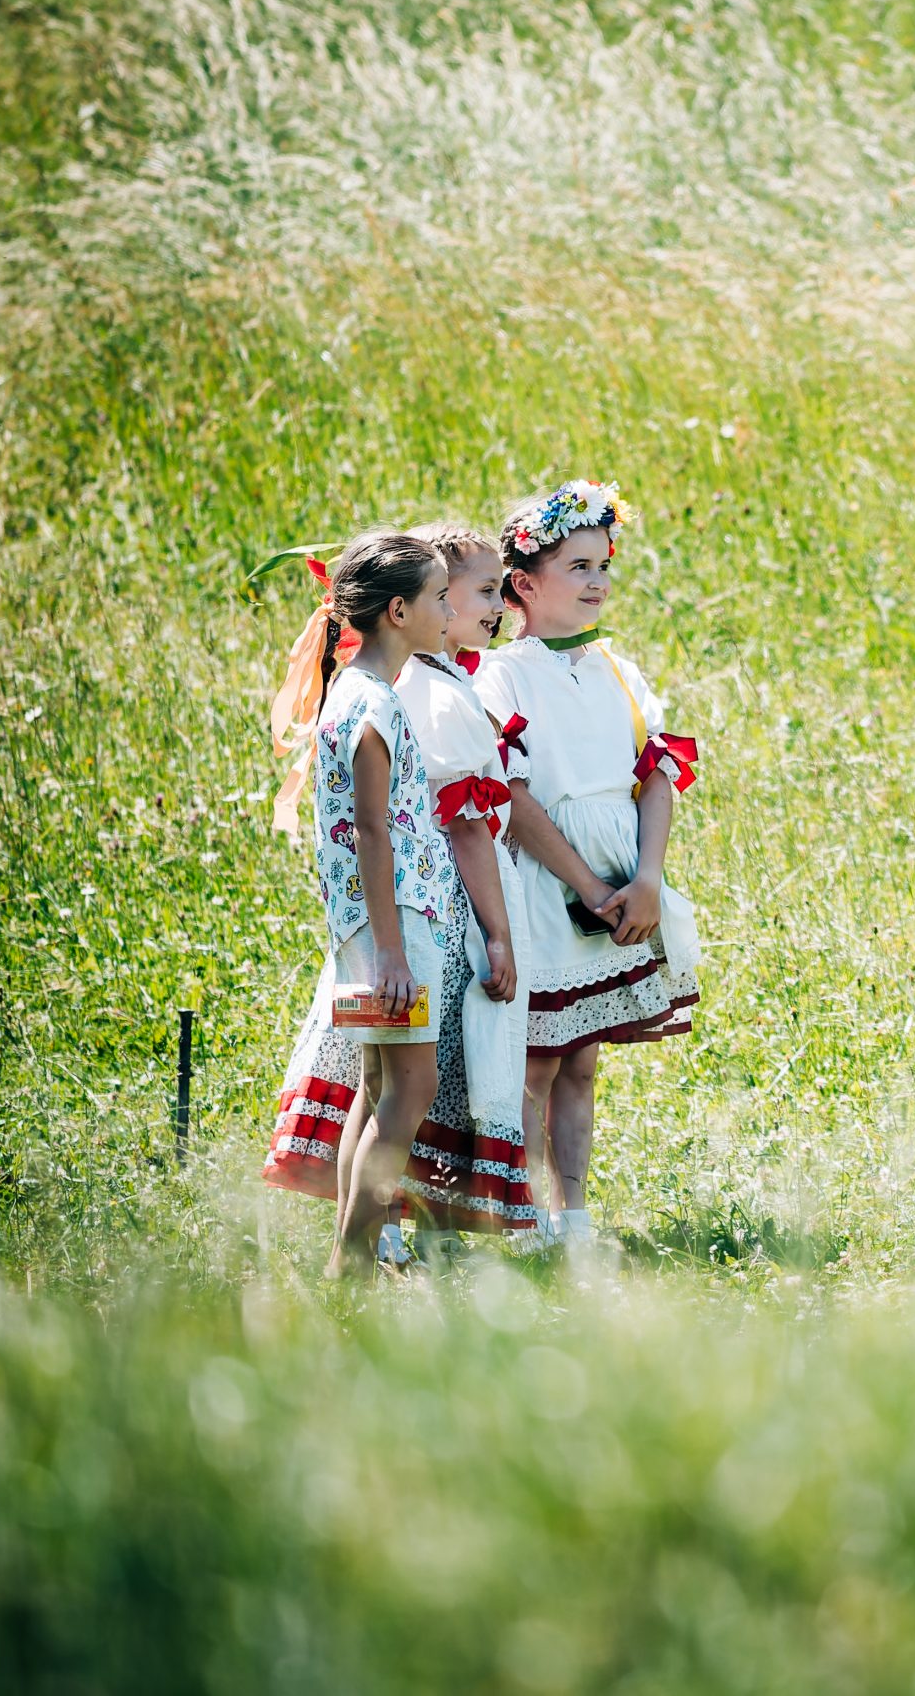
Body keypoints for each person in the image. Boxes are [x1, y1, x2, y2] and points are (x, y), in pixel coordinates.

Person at [473, 481, 701, 1252]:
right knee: (536, 1062)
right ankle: (527, 1214)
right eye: (578, 566)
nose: (598, 580)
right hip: (548, 886)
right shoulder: (504, 674)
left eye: (604, 564)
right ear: (525, 585)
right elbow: (513, 795)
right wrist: (588, 883)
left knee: (582, 1062)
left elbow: (658, 773)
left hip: (622, 879)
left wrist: (646, 879)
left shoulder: (618, 668)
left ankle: (574, 1216)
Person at [277, 531, 463, 1278]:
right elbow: (375, 832)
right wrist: (390, 949)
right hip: (395, 930)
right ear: (398, 612)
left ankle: (346, 1259)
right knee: (412, 1085)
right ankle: (350, 1260)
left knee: (379, 1084)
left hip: (365, 928)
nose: (450, 608)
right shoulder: (373, 705)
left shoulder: (351, 695)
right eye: (440, 597)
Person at [392, 520, 538, 1247]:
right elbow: (467, 826)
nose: (499, 604)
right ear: (436, 598)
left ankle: (417, 1217)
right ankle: (402, 1218)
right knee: (437, 1061)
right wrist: (498, 933)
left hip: (429, 900)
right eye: (485, 590)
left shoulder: (430, 680)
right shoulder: (442, 696)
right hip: (452, 907)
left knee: (427, 1063)